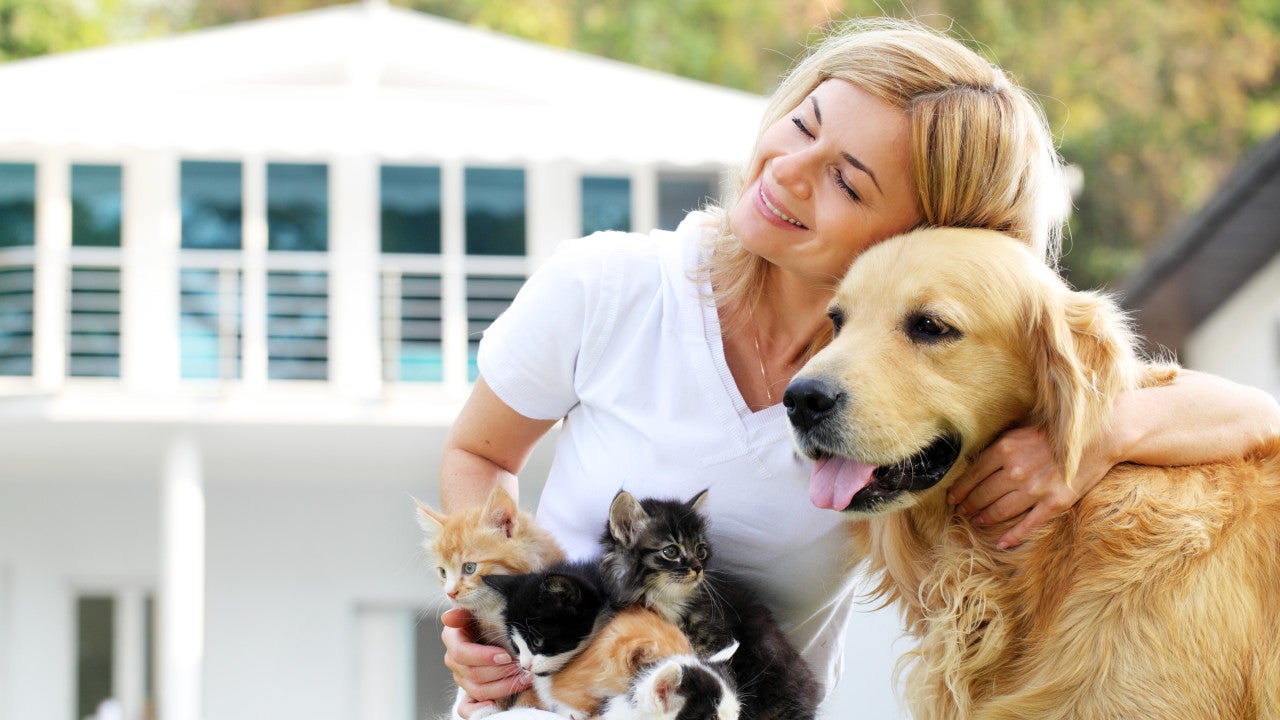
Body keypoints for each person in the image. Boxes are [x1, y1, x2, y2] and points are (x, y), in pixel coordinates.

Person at [436, 17, 1280, 719]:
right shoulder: (610, 285)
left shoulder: (950, 386)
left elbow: (1251, 417)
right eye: (803, 125)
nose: (789, 172)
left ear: (928, 231)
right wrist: (497, 613)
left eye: (848, 180)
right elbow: (481, 454)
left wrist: (1098, 435)